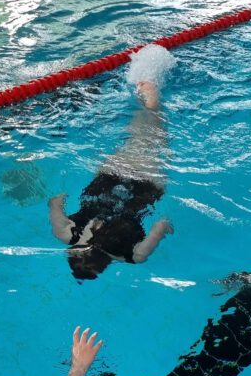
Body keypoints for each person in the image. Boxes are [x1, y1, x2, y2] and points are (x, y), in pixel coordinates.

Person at [49, 44, 175, 280]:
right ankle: (141, 91)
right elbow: (56, 202)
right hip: (106, 182)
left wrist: (166, 226)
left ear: (104, 266)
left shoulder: (134, 256)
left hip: (144, 190)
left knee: (157, 133)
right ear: (72, 254)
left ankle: (152, 96)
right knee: (134, 137)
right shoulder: (67, 235)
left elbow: (161, 226)